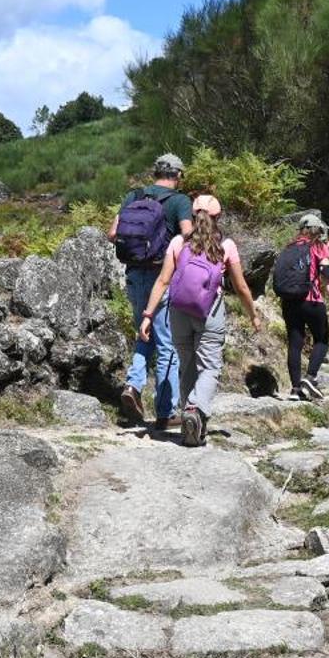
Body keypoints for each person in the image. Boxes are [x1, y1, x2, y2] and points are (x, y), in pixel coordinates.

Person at [138, 194, 261, 446]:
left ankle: (191, 426)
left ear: (193, 216)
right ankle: (194, 410)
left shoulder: (177, 243)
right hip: (209, 314)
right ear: (218, 217)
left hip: (178, 312)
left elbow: (163, 281)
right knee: (210, 368)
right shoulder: (225, 246)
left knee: (187, 366)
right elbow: (241, 287)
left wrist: (148, 315)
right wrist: (253, 315)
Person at [109, 152, 194, 428]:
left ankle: (133, 386)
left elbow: (113, 233)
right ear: (178, 175)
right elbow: (188, 233)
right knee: (166, 342)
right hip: (162, 276)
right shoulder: (180, 200)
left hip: (134, 274)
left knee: (143, 334)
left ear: (155, 172)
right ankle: (165, 411)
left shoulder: (134, 195)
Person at [270, 213, 329, 400]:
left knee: (295, 343)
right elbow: (327, 275)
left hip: (290, 301)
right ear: (318, 230)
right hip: (312, 299)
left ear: (301, 229)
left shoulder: (289, 248)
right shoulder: (319, 247)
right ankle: (310, 377)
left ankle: (294, 389)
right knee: (322, 339)